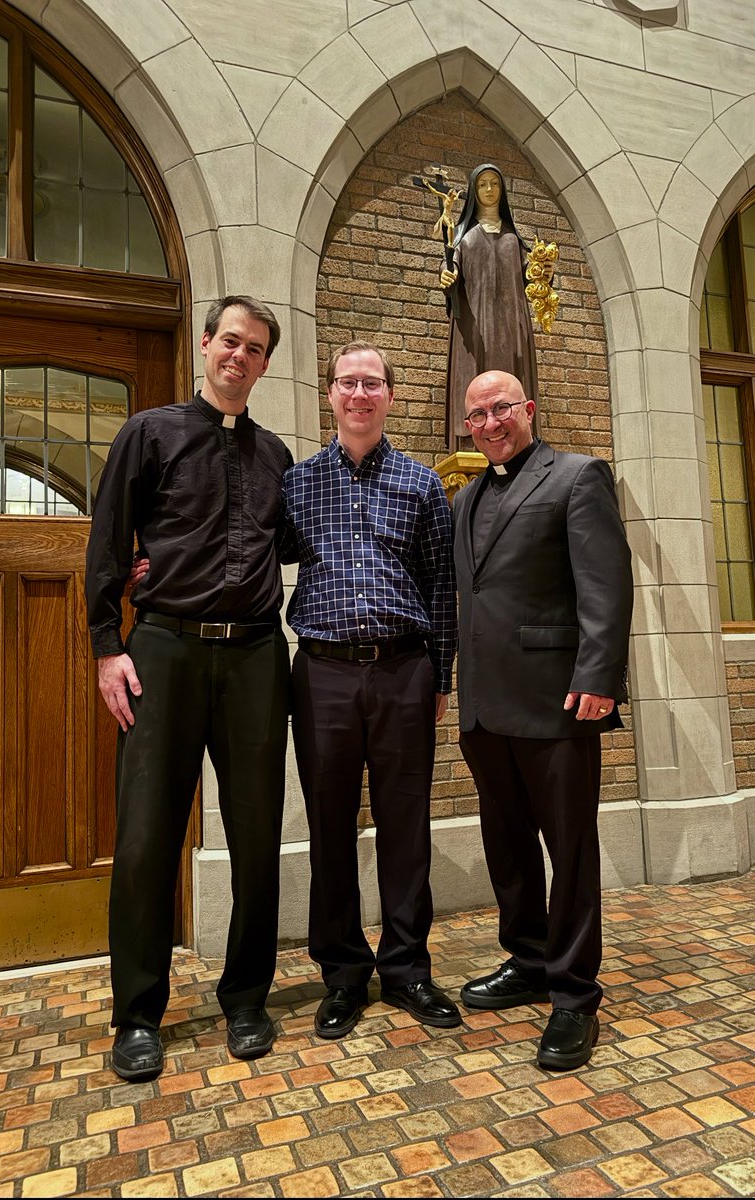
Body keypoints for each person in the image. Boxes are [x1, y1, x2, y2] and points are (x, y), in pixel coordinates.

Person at [85, 296, 292, 1080]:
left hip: (253, 659)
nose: (239, 356)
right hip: (164, 650)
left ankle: (246, 998)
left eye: (255, 348)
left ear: (266, 364)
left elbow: (295, 543)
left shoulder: (276, 456)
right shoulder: (150, 433)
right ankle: (136, 1014)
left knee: (255, 837)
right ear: (205, 345)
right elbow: (108, 541)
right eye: (229, 341)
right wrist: (109, 648)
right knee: (144, 839)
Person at [453, 370, 632, 1070]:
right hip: (485, 706)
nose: (491, 422)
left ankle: (572, 992)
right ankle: (527, 960)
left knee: (570, 850)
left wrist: (597, 677)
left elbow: (604, 582)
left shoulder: (579, 476)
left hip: (557, 701)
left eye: (501, 408)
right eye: (477, 415)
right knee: (508, 848)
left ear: (527, 408)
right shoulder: (465, 498)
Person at [283, 340, 460, 1039]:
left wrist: (439, 675)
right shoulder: (295, 485)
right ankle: (342, 975)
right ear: (329, 393)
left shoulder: (421, 485)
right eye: (347, 383)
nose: (359, 394)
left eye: (372, 383)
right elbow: (245, 552)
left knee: (405, 828)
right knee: (329, 827)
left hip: (402, 670)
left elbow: (442, 587)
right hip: (322, 672)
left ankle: (408, 970)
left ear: (390, 394)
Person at [440, 163, 548, 445]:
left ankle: (518, 433)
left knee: (512, 379)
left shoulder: (514, 240)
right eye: (483, 184)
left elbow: (533, 279)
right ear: (475, 191)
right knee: (476, 371)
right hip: (475, 325)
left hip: (511, 324)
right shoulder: (465, 238)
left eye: (495, 184)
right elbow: (450, 268)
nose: (489, 190)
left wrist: (544, 273)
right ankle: (473, 434)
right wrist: (446, 274)